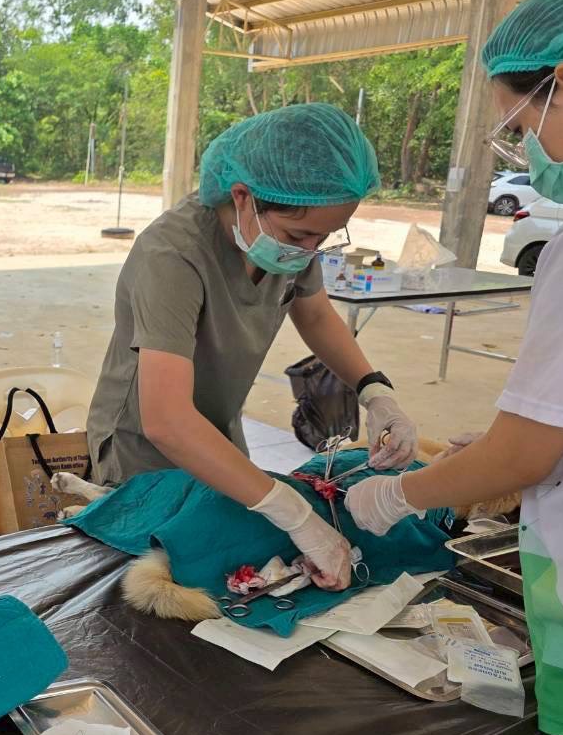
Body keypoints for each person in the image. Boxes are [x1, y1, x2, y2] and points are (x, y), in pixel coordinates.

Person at [344, 0, 563, 735]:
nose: (529, 154)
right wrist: (500, 451)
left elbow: (531, 446)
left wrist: (397, 494)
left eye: (521, 127)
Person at [86, 103, 418, 592]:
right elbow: (167, 421)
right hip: (143, 453)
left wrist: (376, 393)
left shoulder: (283, 238)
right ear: (242, 197)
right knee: (158, 582)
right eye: (301, 235)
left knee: (232, 564)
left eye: (323, 237)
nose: (309, 250)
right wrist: (296, 516)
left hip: (217, 433)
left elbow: (315, 313)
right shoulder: (173, 256)